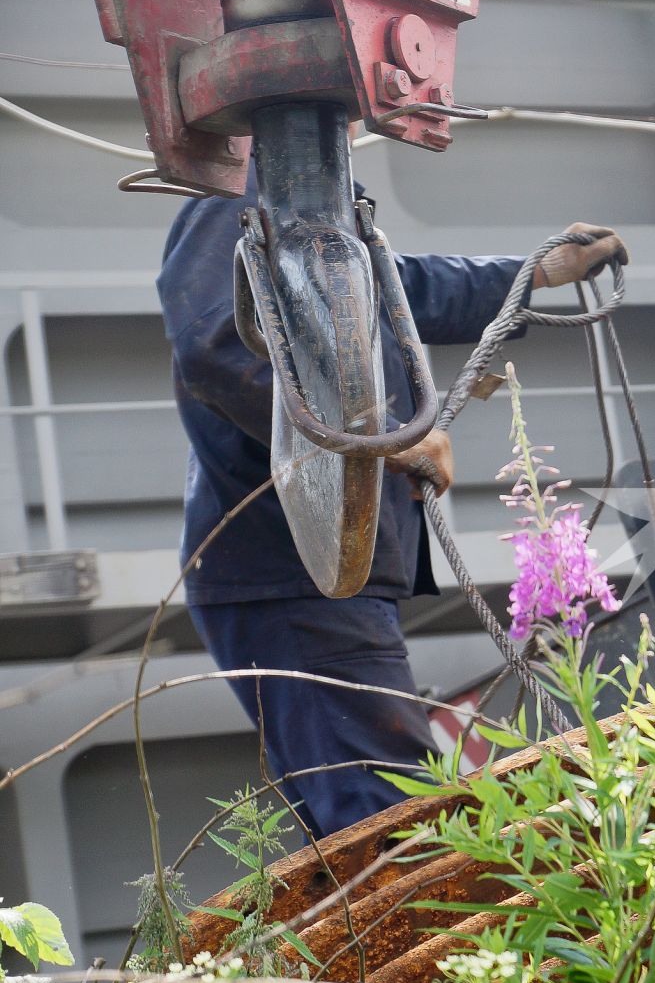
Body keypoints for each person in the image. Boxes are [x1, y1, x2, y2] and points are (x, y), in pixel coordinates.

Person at [160, 189, 625, 837]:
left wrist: (533, 274)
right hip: (296, 569)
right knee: (392, 823)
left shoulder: (309, 190)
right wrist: (380, 436)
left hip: (322, 568)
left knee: (360, 824)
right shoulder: (239, 200)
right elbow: (212, 346)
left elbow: (399, 288)